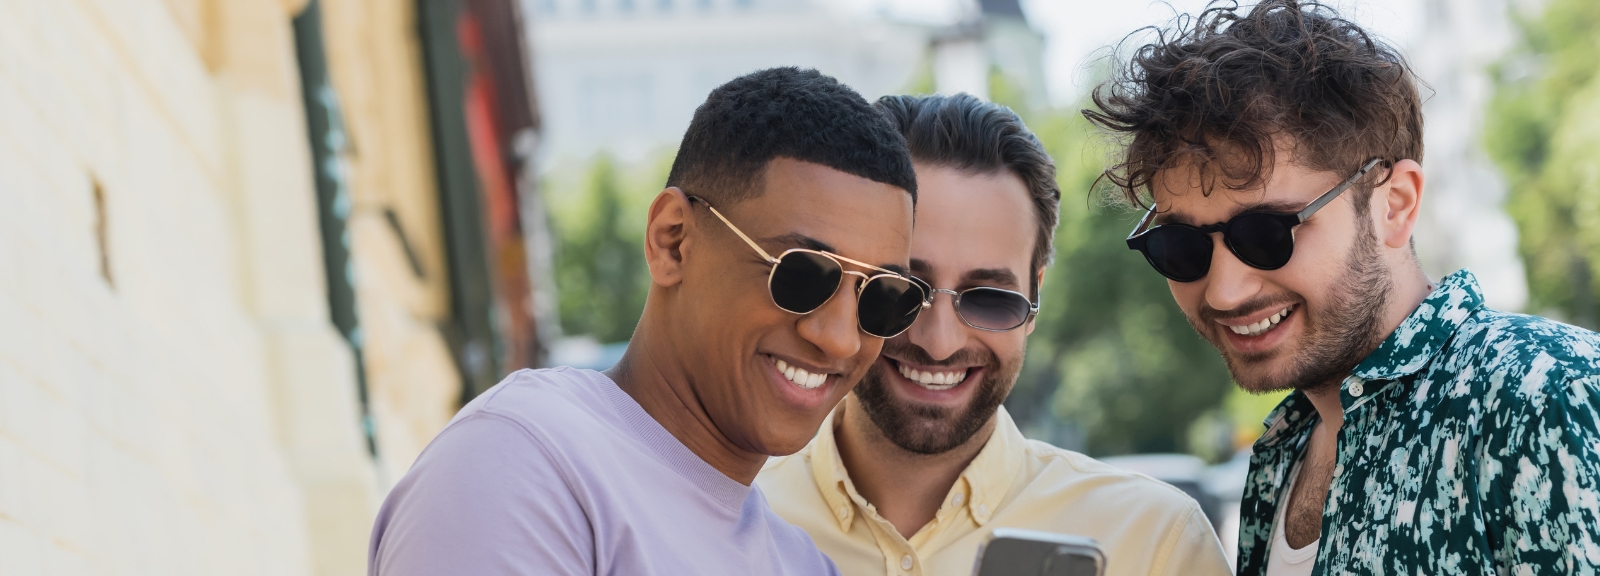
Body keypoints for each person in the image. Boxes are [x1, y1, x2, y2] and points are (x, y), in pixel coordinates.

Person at [1085, 2, 1600, 575]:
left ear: (1394, 203)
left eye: (1268, 233)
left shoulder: (1548, 397)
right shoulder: (1283, 448)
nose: (1225, 293)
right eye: (1180, 247)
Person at [368, 67, 932, 575]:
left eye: (883, 299)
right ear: (673, 241)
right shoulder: (523, 463)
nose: (837, 336)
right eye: (802, 276)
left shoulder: (802, 563)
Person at [757, 93, 1232, 576]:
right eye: (904, 288)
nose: (938, 342)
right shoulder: (726, 518)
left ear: (1033, 300)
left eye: (989, 298)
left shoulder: (1155, 543)